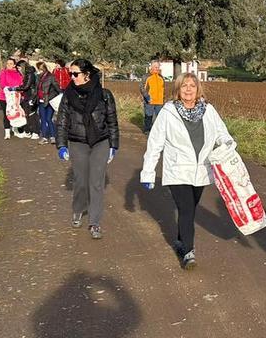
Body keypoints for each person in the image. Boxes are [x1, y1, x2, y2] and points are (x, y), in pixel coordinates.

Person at [139, 72, 233, 270]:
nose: (188, 89)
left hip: (201, 171)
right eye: (184, 86)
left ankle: (181, 241)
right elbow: (155, 143)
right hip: (177, 170)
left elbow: (222, 134)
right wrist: (148, 172)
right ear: (178, 90)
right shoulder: (168, 111)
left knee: (189, 209)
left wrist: (229, 146)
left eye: (192, 85)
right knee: (187, 209)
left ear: (198, 89)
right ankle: (189, 252)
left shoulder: (209, 110)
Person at [56, 59, 120, 239]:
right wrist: (61, 145)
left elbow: (112, 121)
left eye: (75, 74)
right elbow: (62, 121)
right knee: (81, 180)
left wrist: (113, 145)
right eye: (71, 74)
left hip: (100, 141)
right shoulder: (68, 96)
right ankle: (78, 209)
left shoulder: (104, 95)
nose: (72, 77)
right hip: (77, 141)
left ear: (87, 74)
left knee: (96, 182)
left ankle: (95, 222)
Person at [0, 58, 24, 139]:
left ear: (14, 65)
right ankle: (7, 132)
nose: (8, 65)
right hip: (4, 97)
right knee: (7, 114)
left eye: (11, 63)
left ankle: (15, 129)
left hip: (16, 97)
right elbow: (2, 83)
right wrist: (9, 89)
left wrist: (18, 91)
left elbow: (21, 83)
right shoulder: (3, 73)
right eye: (8, 63)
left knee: (16, 113)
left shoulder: (18, 74)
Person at [36, 61, 61, 144]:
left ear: (43, 68)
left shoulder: (51, 77)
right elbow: (37, 89)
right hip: (41, 100)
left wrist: (58, 96)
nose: (38, 71)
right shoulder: (38, 77)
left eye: (39, 69)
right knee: (43, 119)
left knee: (48, 118)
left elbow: (57, 88)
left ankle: (53, 136)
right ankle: (44, 137)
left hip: (49, 100)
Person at [139, 60, 166, 134]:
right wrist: (147, 97)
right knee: (148, 116)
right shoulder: (146, 76)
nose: (157, 68)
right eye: (156, 67)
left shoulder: (161, 77)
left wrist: (163, 99)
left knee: (160, 118)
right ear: (151, 67)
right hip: (150, 101)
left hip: (160, 101)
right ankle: (147, 130)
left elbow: (163, 89)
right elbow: (142, 88)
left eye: (158, 67)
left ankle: (158, 131)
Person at [17, 60, 39, 138]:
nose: (18, 70)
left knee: (32, 114)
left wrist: (15, 89)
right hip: (27, 96)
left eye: (19, 68)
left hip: (31, 96)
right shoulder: (26, 74)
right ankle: (28, 131)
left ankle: (35, 132)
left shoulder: (30, 74)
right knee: (27, 114)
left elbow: (26, 86)